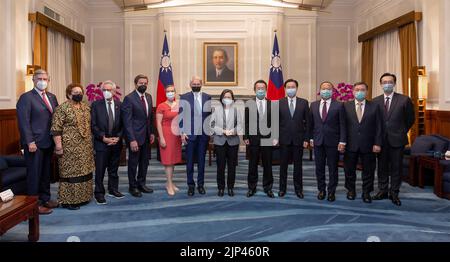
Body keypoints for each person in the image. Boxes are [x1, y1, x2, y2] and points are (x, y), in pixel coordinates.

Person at [16, 69, 59, 214]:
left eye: (45, 79)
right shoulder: (26, 98)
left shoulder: (52, 97)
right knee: (34, 175)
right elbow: (24, 122)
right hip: (34, 144)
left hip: (48, 142)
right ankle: (34, 204)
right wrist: (30, 142)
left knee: (46, 173)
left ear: (48, 80)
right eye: (39, 78)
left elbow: (56, 120)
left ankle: (45, 198)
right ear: (34, 80)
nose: (42, 81)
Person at [372, 73, 415, 206]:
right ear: (380, 84)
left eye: (390, 82)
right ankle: (383, 190)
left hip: (397, 140)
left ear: (394, 83)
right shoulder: (375, 101)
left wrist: (401, 131)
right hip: (381, 141)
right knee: (382, 167)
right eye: (384, 82)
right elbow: (374, 122)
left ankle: (394, 192)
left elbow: (410, 119)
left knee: (397, 167)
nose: (387, 84)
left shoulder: (404, 100)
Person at [51, 83, 94, 210]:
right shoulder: (61, 108)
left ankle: (84, 197)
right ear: (69, 94)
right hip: (69, 147)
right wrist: (58, 146)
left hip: (85, 147)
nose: (78, 94)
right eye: (75, 92)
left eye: (80, 92)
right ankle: (68, 201)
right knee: (70, 173)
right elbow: (56, 129)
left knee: (85, 172)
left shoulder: (86, 108)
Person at [343, 82, 382, 203]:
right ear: (353, 92)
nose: (360, 92)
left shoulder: (374, 106)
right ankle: (351, 190)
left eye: (362, 90)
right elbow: (342, 126)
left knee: (369, 170)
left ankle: (366, 192)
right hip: (350, 143)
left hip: (369, 144)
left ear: (367, 92)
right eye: (357, 89)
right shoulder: (345, 106)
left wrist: (377, 143)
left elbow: (379, 127)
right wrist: (342, 142)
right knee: (349, 170)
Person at [310, 81, 346, 202]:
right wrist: (310, 138)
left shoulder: (339, 105)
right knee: (319, 168)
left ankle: (331, 191)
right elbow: (311, 124)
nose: (326, 91)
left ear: (332, 91)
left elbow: (343, 125)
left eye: (328, 88)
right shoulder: (313, 105)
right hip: (318, 141)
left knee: (332, 168)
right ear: (320, 91)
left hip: (333, 142)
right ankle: (321, 190)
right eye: (323, 88)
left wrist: (342, 141)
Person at [122, 74, 155, 197]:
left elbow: (150, 117)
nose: (143, 85)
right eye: (141, 83)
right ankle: (133, 186)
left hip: (146, 136)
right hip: (135, 137)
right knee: (133, 163)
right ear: (135, 84)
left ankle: (142, 183)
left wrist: (151, 132)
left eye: (145, 83)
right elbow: (127, 121)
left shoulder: (149, 97)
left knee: (144, 162)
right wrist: (131, 139)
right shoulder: (129, 98)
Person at [91, 80, 124, 205]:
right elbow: (93, 125)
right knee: (100, 169)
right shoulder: (95, 105)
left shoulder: (119, 105)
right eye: (104, 90)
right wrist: (103, 137)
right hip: (101, 142)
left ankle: (113, 189)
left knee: (114, 169)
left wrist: (118, 137)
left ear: (114, 91)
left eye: (109, 90)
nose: (106, 92)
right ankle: (99, 193)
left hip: (116, 143)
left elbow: (123, 124)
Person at [278, 79, 310, 199]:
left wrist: (306, 139)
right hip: (284, 139)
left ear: (297, 88)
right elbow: (275, 122)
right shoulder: (279, 102)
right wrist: (276, 138)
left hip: (299, 139)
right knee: (283, 166)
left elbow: (308, 123)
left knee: (298, 166)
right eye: (288, 87)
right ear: (285, 89)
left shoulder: (304, 103)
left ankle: (298, 189)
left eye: (293, 87)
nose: (291, 89)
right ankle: (282, 189)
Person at [179, 76, 212, 196]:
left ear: (202, 84)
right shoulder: (184, 97)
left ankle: (201, 185)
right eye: (194, 84)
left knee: (202, 161)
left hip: (203, 135)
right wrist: (182, 132)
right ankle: (190, 185)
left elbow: (209, 116)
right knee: (190, 162)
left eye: (198, 84)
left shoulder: (207, 97)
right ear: (190, 84)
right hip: (189, 135)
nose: (196, 85)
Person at [244, 80, 276, 198]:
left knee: (267, 164)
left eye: (263, 88)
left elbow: (274, 122)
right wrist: (246, 136)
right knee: (253, 164)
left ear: (266, 90)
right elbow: (246, 122)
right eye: (258, 88)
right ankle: (252, 187)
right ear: (255, 90)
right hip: (253, 139)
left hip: (268, 138)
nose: (261, 90)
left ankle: (268, 187)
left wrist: (275, 137)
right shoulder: (249, 103)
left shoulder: (272, 104)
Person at [210, 89, 242, 197]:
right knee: (220, 166)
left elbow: (240, 125)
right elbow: (212, 125)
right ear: (222, 98)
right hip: (220, 141)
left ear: (232, 99)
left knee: (232, 166)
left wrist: (233, 131)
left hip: (233, 142)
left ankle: (230, 187)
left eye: (229, 97)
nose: (227, 99)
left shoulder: (236, 111)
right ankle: (221, 187)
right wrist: (223, 131)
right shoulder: (216, 110)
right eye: (225, 97)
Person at [156, 85, 182, 196]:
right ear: (165, 93)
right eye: (168, 91)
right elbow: (158, 123)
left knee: (173, 159)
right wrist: (161, 137)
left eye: (172, 91)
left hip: (176, 135)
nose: (170, 93)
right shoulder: (161, 106)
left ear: (175, 92)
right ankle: (169, 184)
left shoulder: (179, 104)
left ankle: (170, 182)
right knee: (167, 161)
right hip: (166, 134)